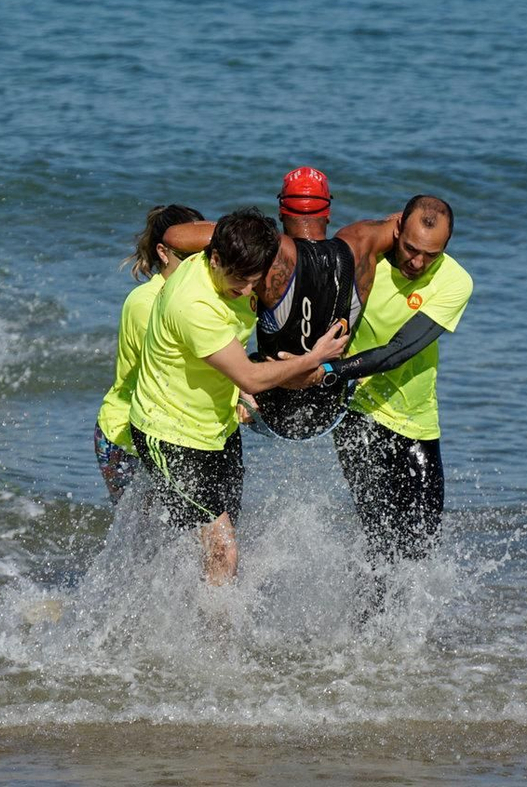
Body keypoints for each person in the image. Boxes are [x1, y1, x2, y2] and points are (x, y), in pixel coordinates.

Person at [128, 208, 349, 585]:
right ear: (214, 258)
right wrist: (314, 358)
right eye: (239, 283)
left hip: (217, 429)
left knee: (221, 540)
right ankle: (214, 641)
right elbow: (249, 375)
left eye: (254, 282)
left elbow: (185, 234)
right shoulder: (193, 304)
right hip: (169, 435)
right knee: (222, 548)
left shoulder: (239, 258)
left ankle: (194, 617)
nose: (248, 292)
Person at [163, 167, 399, 440]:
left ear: (281, 211)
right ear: (328, 212)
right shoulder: (362, 241)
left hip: (270, 410)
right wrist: (393, 219)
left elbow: (173, 237)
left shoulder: (275, 251)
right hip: (333, 405)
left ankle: (242, 395)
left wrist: (237, 233)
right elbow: (405, 224)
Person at [324, 194, 472, 561]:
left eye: (431, 255)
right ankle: (366, 620)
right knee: (381, 543)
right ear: (397, 227)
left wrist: (331, 371)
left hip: (417, 420)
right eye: (410, 249)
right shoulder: (363, 261)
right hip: (357, 416)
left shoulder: (455, 281)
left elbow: (400, 350)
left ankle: (403, 622)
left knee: (422, 547)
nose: (418, 262)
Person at [93, 204, 205, 503]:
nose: (200, 265)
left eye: (205, 255)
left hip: (171, 431)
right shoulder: (146, 302)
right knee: (145, 537)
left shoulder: (198, 298)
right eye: (190, 256)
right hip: (125, 436)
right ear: (163, 253)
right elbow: (174, 372)